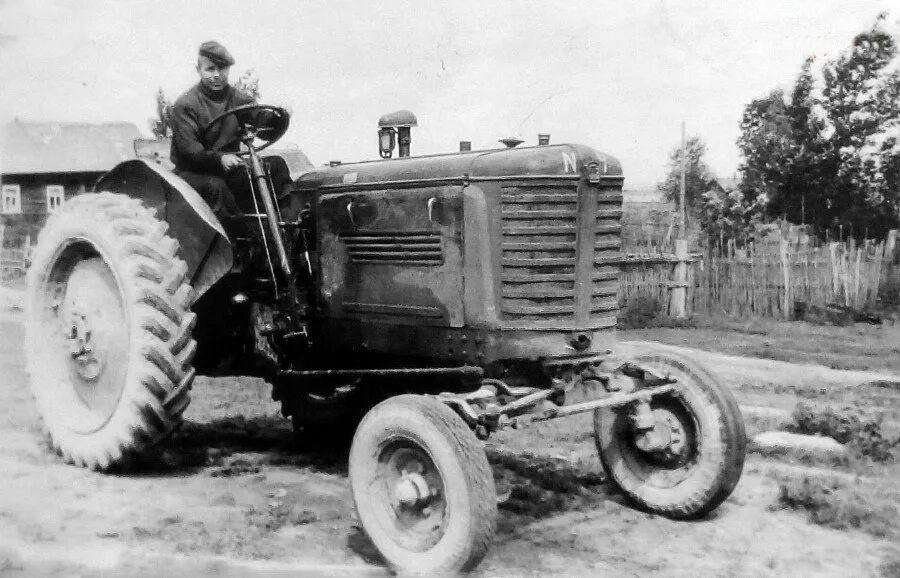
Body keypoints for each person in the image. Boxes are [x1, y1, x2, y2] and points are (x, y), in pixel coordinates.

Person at [170, 40, 292, 222]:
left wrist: (279, 118)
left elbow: (263, 126)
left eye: (222, 69)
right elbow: (190, 151)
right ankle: (232, 244)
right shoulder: (186, 104)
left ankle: (285, 227)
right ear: (199, 70)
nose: (217, 75)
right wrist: (219, 158)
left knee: (275, 166)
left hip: (229, 168)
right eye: (210, 69)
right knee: (216, 187)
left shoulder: (240, 99)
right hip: (194, 172)